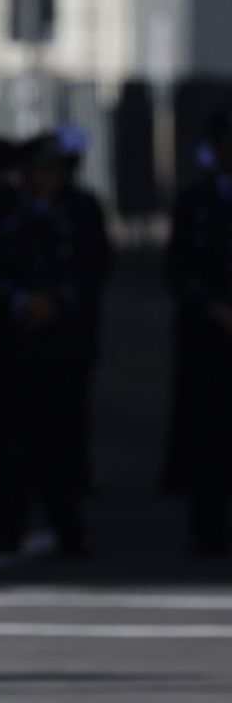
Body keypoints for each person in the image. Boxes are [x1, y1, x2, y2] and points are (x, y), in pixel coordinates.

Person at [0, 132, 109, 554]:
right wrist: (18, 300)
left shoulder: (80, 210)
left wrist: (57, 300)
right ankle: (7, 523)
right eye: (35, 171)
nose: (43, 179)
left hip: (63, 342)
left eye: (50, 171)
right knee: (11, 437)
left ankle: (67, 522)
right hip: (12, 345)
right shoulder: (1, 213)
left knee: (64, 436)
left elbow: (95, 264)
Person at [168, 108, 232, 555]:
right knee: (208, 434)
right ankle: (206, 527)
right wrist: (212, 307)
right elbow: (179, 265)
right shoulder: (195, 201)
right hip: (209, 336)